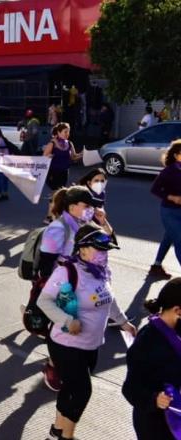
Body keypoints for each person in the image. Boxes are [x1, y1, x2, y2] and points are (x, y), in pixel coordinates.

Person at [38, 224, 136, 440]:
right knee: (82, 392)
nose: (105, 254)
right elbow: (43, 301)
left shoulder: (101, 272)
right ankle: (67, 437)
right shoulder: (66, 271)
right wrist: (66, 320)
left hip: (91, 344)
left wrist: (124, 323)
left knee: (70, 388)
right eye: (100, 249)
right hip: (65, 344)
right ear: (82, 248)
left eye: (107, 250)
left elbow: (109, 301)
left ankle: (56, 431)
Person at [123, 278, 181, 440]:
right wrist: (155, 399)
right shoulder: (147, 341)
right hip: (156, 423)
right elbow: (130, 389)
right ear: (178, 310)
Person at [150, 140, 181, 273]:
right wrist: (172, 197)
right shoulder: (169, 171)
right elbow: (155, 189)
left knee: (169, 236)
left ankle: (156, 266)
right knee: (180, 241)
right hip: (169, 212)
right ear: (176, 155)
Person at [0, 126, 20, 202]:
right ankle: (5, 194)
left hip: (3, 162)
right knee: (4, 178)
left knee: (0, 179)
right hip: (6, 161)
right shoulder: (1, 139)